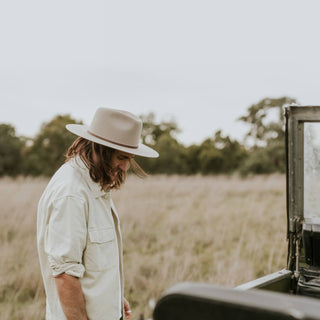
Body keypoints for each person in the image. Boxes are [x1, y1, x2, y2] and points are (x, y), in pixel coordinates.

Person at [37, 107, 159, 320]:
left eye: (129, 158)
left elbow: (92, 261)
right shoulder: (72, 193)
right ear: (100, 149)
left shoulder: (94, 184)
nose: (125, 167)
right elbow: (65, 276)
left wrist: (111, 300)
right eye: (121, 157)